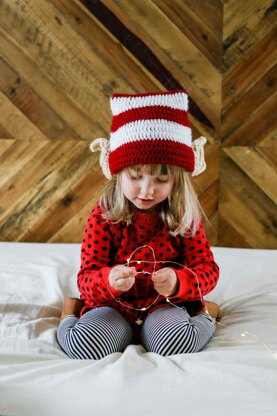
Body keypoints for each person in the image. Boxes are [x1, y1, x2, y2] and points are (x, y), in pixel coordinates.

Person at [57, 90, 220, 359]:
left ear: (176, 181)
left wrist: (179, 282)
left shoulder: (184, 215)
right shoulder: (104, 215)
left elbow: (208, 271)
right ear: (118, 172)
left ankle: (208, 313)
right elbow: (86, 278)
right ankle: (68, 311)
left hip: (163, 306)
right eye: (136, 176)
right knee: (83, 345)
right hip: (112, 307)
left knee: (175, 344)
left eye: (161, 180)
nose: (146, 190)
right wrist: (108, 280)